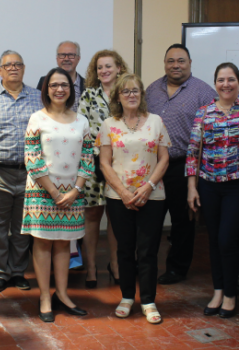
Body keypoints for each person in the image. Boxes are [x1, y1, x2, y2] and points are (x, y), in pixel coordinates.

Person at [21, 67, 94, 322]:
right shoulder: (36, 119)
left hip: (72, 194)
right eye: (54, 85)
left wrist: (75, 190)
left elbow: (87, 159)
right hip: (42, 192)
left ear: (71, 89)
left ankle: (62, 294)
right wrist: (53, 191)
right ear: (46, 89)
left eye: (64, 84)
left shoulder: (81, 121)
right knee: (42, 243)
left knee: (65, 243)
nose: (59, 89)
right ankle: (44, 296)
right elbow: (32, 158)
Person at [98, 73, 171, 324]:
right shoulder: (109, 124)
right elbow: (104, 164)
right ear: (118, 96)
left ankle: (149, 301)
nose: (131, 95)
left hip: (153, 195)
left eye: (135, 91)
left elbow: (164, 159)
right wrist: (124, 192)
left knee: (149, 250)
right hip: (119, 197)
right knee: (125, 250)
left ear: (141, 95)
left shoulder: (156, 121)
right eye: (125, 91)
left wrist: (148, 186)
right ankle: (127, 297)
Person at [145, 43, 217, 285]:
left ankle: (177, 268)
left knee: (182, 222)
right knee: (150, 219)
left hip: (184, 167)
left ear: (190, 63)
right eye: (171, 61)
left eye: (181, 61)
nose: (175, 65)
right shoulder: (152, 90)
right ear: (165, 63)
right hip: (153, 166)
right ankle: (146, 265)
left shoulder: (203, 92)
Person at [0, 50, 42, 294]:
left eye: (18, 64)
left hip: (30, 174)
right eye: (8, 65)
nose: (13, 68)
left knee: (22, 227)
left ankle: (17, 271)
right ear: (0, 71)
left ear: (24, 68)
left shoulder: (39, 98)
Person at [187, 62, 239, 318]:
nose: (226, 84)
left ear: (237, 83)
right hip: (208, 185)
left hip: (235, 187)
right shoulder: (204, 112)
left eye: (231, 79)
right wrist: (191, 187)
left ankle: (230, 293)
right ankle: (218, 290)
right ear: (215, 83)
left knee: (227, 240)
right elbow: (193, 151)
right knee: (214, 241)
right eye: (221, 79)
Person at [78, 49, 128, 288]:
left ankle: (116, 265)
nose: (104, 71)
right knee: (92, 216)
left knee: (117, 217)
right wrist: (95, 160)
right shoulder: (88, 96)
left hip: (122, 166)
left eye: (108, 66)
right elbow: (82, 131)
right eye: (99, 67)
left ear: (119, 68)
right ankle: (90, 267)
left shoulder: (127, 93)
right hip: (94, 166)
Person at [36, 41, 85, 112]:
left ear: (78, 58)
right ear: (57, 58)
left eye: (71, 55)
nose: (66, 59)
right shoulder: (44, 81)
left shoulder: (88, 85)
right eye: (62, 55)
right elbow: (39, 107)